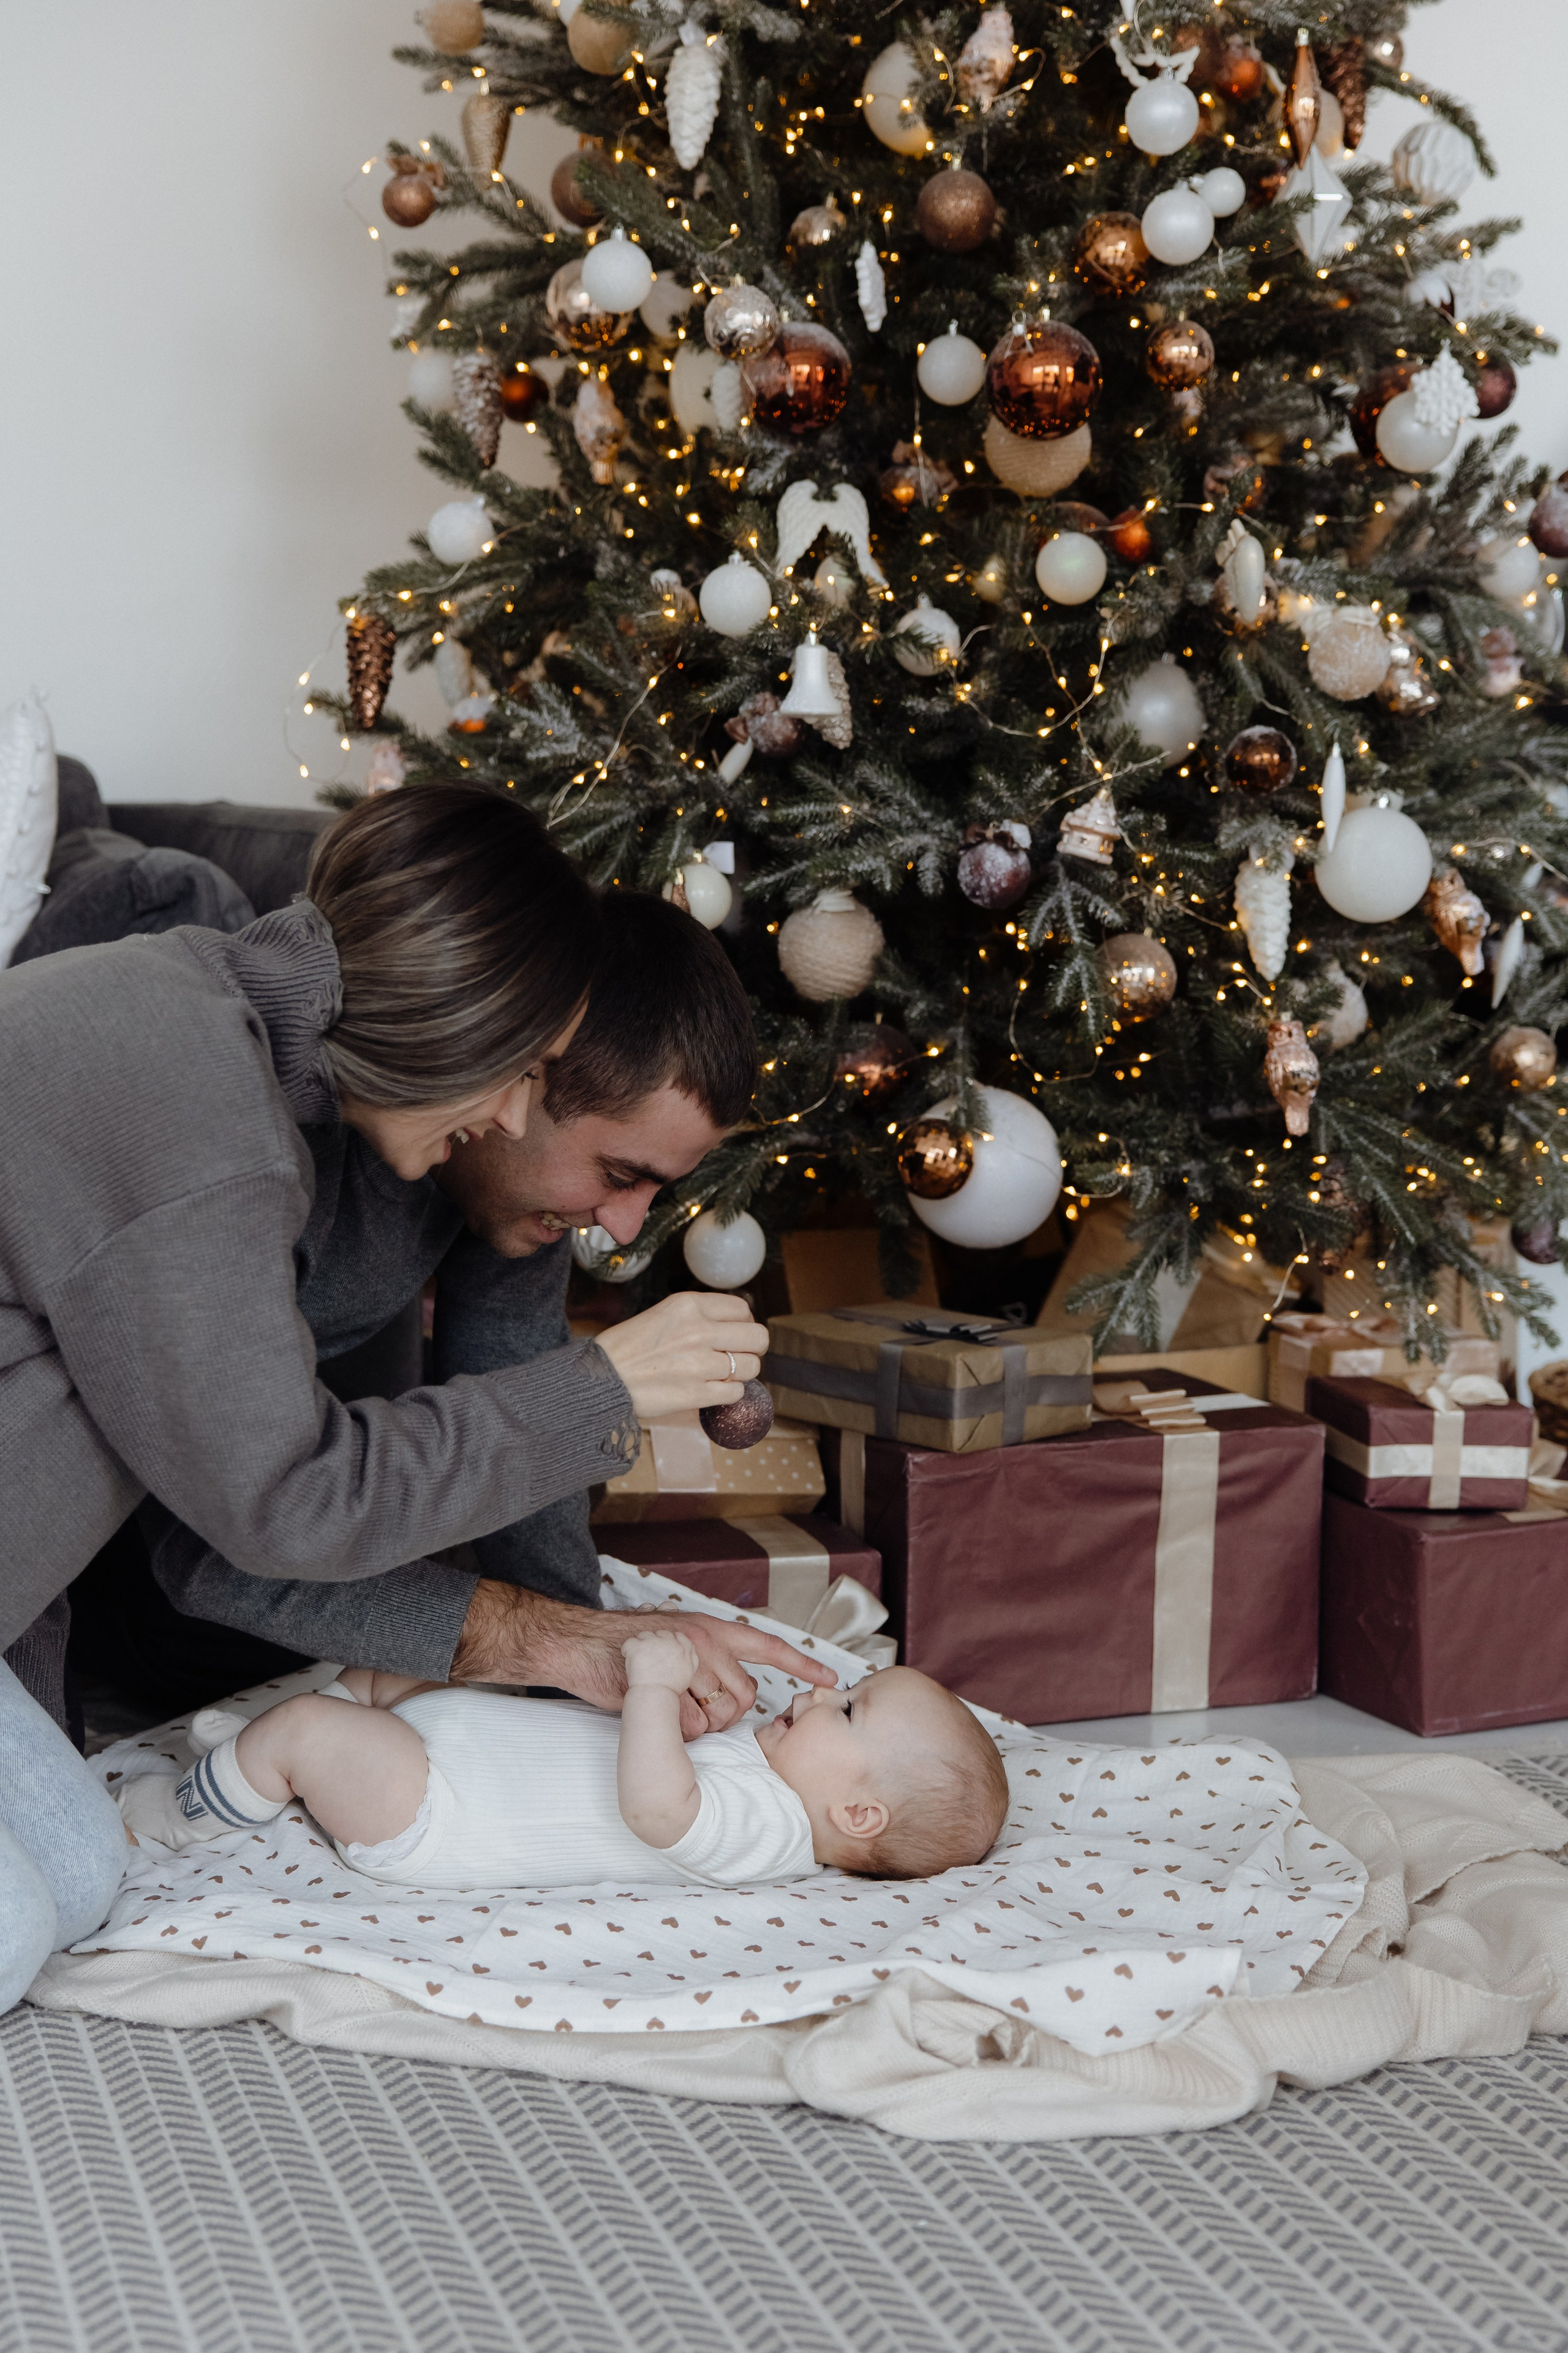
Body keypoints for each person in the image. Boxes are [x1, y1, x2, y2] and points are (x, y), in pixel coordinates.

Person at [0, 785, 803, 2005]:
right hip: (138, 1567)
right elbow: (275, 1505)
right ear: (467, 1022)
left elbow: (421, 1461)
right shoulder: (215, 1138)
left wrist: (584, 1653)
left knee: (75, 1876)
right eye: (525, 1073)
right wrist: (605, 1384)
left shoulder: (305, 1110)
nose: (513, 1107)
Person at [76, 892, 815, 1734]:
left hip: (283, 1532)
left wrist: (589, 1658)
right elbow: (225, 1532)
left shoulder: (510, 1190)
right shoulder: (252, 1158)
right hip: (138, 1564)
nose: (627, 1226)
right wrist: (544, 1636)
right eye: (619, 1173)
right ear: (520, 1070)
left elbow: (518, 1376)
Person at [120, 1637, 1011, 1887]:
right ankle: (258, 1761)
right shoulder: (776, 1771)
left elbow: (660, 1809)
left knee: (310, 1727)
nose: (820, 1696)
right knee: (408, 1652)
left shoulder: (769, 1833)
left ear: (857, 1814)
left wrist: (657, 1690)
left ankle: (181, 1814)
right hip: (454, 1739)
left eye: (847, 1709)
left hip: (438, 1808)